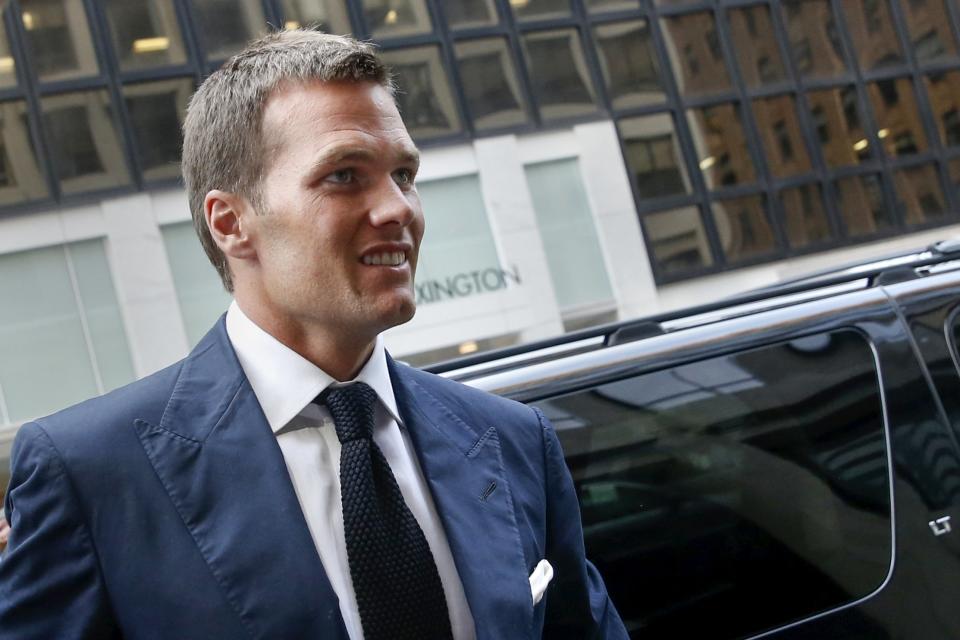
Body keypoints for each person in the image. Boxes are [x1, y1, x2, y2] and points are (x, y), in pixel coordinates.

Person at [0, 30, 627, 639]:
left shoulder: (513, 439)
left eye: (403, 175)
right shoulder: (92, 475)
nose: (399, 209)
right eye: (345, 176)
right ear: (231, 223)